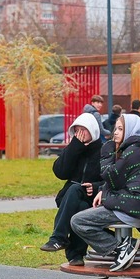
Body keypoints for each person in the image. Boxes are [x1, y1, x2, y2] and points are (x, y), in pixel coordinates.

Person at [69, 114, 140, 271]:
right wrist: (103, 190)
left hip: (129, 207)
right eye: (115, 129)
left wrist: (106, 154)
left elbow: (110, 176)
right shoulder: (133, 151)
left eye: (121, 129)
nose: (115, 132)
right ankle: (122, 247)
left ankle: (120, 247)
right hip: (128, 204)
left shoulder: (131, 153)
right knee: (82, 218)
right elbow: (113, 181)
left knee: (78, 221)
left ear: (131, 131)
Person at [41, 112, 104, 265]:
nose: (79, 134)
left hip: (93, 197)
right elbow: (60, 172)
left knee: (77, 194)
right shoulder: (74, 148)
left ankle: (58, 238)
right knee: (78, 201)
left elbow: (110, 177)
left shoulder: (103, 150)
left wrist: (96, 187)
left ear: (93, 131)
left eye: (83, 130)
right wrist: (75, 146)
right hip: (70, 197)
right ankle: (76, 255)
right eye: (76, 130)